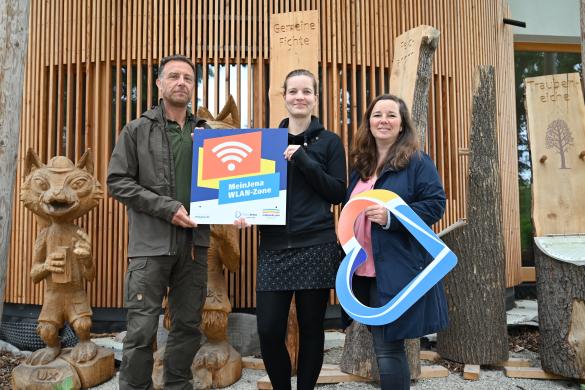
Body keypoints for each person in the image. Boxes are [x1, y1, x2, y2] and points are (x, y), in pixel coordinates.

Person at [236, 69, 346, 389]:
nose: (300, 97)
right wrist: (246, 213)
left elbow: (337, 193)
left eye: (306, 91)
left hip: (316, 244)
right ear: (283, 96)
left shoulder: (329, 142)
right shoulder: (266, 143)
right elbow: (253, 190)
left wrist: (306, 160)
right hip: (273, 246)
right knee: (269, 330)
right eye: (293, 91)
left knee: (312, 328)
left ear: (315, 97)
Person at [107, 54, 210, 390]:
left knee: (188, 327)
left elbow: (231, 185)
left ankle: (178, 386)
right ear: (159, 84)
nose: (181, 83)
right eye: (174, 76)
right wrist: (167, 208)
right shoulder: (137, 130)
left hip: (194, 246)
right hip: (150, 246)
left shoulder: (208, 135)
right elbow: (117, 181)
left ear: (194, 87)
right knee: (141, 331)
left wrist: (240, 210)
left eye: (188, 78)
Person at [345, 94, 448, 390]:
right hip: (364, 269)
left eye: (391, 115)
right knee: (383, 346)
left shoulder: (416, 161)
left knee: (389, 348)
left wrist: (393, 217)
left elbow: (435, 204)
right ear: (369, 122)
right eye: (377, 115)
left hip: (396, 268)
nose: (384, 121)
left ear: (402, 124)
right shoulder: (361, 164)